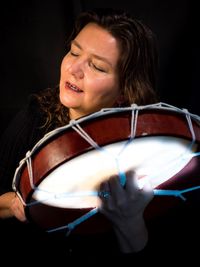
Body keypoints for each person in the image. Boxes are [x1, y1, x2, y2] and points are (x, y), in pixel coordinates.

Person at [1, 7, 188, 264]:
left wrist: (130, 224)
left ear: (124, 91)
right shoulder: (34, 118)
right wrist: (13, 204)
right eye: (74, 52)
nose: (74, 68)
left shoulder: (150, 153)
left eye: (97, 67)